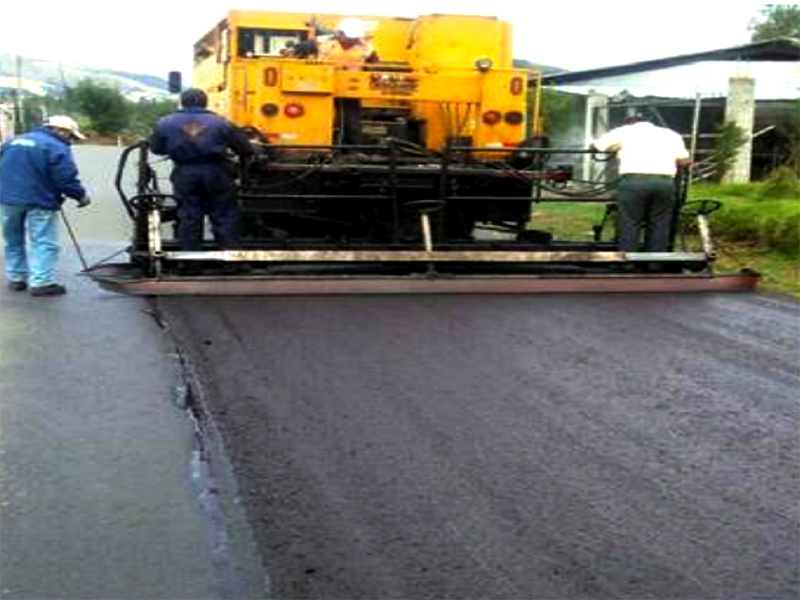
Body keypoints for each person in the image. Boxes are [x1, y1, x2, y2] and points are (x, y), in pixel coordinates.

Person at [149, 88, 254, 251]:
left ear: (182, 102)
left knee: (189, 215)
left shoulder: (165, 122)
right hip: (217, 173)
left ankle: (190, 261)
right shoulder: (222, 122)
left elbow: (156, 148)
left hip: (184, 173)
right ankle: (231, 261)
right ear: (206, 102)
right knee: (224, 215)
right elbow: (245, 149)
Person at [0, 115, 91, 296]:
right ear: (61, 130)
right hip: (40, 200)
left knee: (13, 240)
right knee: (43, 241)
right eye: (71, 136)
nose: (70, 141)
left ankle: (17, 278)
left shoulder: (13, 142)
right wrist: (81, 196)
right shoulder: (56, 146)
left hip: (7, 199)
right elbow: (66, 178)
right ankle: (41, 282)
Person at [590, 114, 690, 253]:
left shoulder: (623, 131)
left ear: (629, 123)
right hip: (665, 183)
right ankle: (655, 264)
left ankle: (628, 263)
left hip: (634, 182)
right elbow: (684, 161)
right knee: (659, 223)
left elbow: (597, 146)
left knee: (629, 222)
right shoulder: (672, 134)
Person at [317, 19, 379, 147]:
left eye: (354, 37)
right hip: (325, 86)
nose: (351, 40)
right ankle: (323, 145)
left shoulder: (366, 47)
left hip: (352, 87)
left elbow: (374, 64)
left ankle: (353, 148)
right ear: (339, 33)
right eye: (348, 36)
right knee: (324, 117)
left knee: (351, 119)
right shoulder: (325, 43)